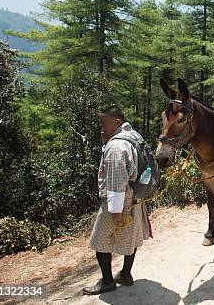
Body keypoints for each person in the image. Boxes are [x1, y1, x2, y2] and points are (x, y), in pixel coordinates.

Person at [83, 106, 151, 295]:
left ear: (116, 122)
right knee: (132, 237)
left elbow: (115, 181)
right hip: (136, 197)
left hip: (120, 202)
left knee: (99, 242)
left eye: (103, 124)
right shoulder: (133, 136)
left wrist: (115, 212)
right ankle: (126, 274)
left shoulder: (116, 146)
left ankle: (107, 282)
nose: (101, 129)